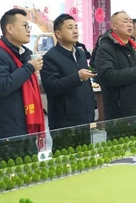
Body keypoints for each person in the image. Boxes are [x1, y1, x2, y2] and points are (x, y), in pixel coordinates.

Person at [0, 9, 45, 159]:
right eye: (24, 26)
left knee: (32, 170)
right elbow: (3, 86)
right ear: (10, 28)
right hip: (8, 131)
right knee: (13, 171)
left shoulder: (25, 54)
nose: (28, 30)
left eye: (28, 26)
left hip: (27, 125)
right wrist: (29, 68)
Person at [41, 14, 96, 149]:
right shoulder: (50, 57)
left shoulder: (80, 53)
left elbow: (86, 84)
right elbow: (51, 87)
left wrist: (92, 106)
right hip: (64, 122)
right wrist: (77, 77)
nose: (75, 31)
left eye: (76, 27)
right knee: (66, 158)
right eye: (70, 28)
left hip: (84, 117)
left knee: (86, 156)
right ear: (58, 34)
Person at [94, 12, 136, 132]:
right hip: (120, 112)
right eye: (125, 21)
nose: (129, 24)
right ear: (113, 26)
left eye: (130, 21)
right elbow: (106, 76)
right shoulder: (106, 48)